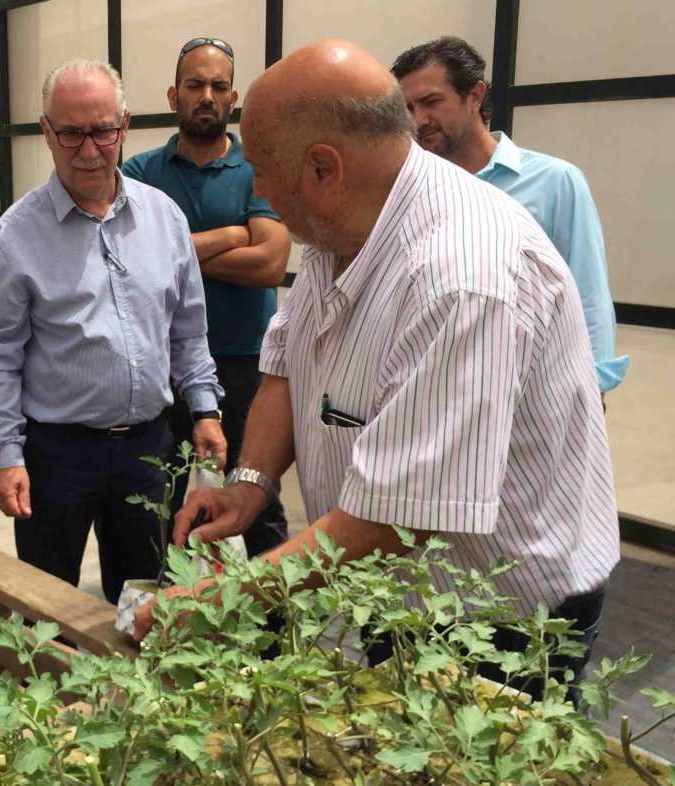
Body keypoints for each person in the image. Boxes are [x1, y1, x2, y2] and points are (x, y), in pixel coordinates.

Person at [133, 40, 619, 699]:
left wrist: (220, 599)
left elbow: (399, 516)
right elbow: (288, 358)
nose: (259, 190)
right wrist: (248, 485)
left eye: (264, 171)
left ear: (324, 168)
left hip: (499, 621)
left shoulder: (462, 277)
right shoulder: (346, 220)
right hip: (399, 592)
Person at [0, 59, 225, 604]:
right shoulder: (15, 239)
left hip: (149, 450)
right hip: (55, 457)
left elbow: (187, 330)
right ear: (46, 132)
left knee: (145, 600)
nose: (89, 150)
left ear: (124, 125)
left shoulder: (164, 219)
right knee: (44, 605)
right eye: (71, 133)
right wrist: (6, 455)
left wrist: (205, 410)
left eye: (103, 131)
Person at [122, 37, 291, 557]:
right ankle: (165, 597)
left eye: (219, 86)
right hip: (164, 362)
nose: (207, 96)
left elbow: (270, 263)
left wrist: (171, 255)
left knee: (255, 495)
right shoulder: (139, 173)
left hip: (244, 364)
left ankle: (273, 606)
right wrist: (234, 234)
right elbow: (130, 261)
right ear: (173, 96)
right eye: (195, 85)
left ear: (233, 98)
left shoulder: (257, 168)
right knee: (159, 497)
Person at [392, 36, 628, 394]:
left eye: (431, 102)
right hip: (432, 389)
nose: (419, 120)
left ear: (475, 96)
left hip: (531, 392)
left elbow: (588, 293)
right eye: (408, 108)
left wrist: (593, 389)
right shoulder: (408, 191)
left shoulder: (554, 182)